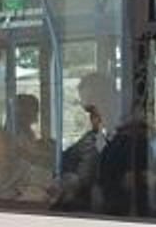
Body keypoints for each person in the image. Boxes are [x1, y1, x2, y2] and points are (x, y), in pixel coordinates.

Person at [56, 74, 116, 209]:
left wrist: (73, 180)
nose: (92, 117)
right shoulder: (95, 134)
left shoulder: (108, 135)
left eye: (92, 108)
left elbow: (88, 175)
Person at [10, 93, 56, 170]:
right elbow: (24, 156)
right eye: (34, 109)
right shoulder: (14, 132)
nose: (36, 113)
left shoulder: (27, 131)